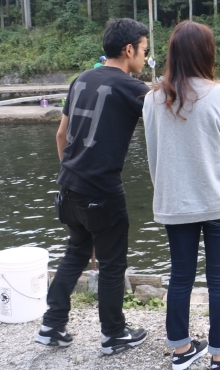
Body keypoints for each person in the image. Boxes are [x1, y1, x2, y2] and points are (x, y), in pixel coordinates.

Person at [36, 18, 151, 355]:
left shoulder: (82, 78)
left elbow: (61, 135)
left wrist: (72, 172)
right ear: (128, 50)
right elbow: (172, 109)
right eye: (144, 50)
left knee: (75, 253)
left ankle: (52, 324)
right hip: (102, 190)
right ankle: (113, 334)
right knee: (113, 264)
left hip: (68, 186)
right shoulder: (132, 88)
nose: (145, 57)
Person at [143, 21, 220, 370]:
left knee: (180, 276)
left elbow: (157, 149)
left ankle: (181, 350)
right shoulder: (219, 94)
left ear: (172, 54)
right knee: (219, 278)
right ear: (207, 53)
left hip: (175, 203)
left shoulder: (151, 98)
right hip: (219, 201)